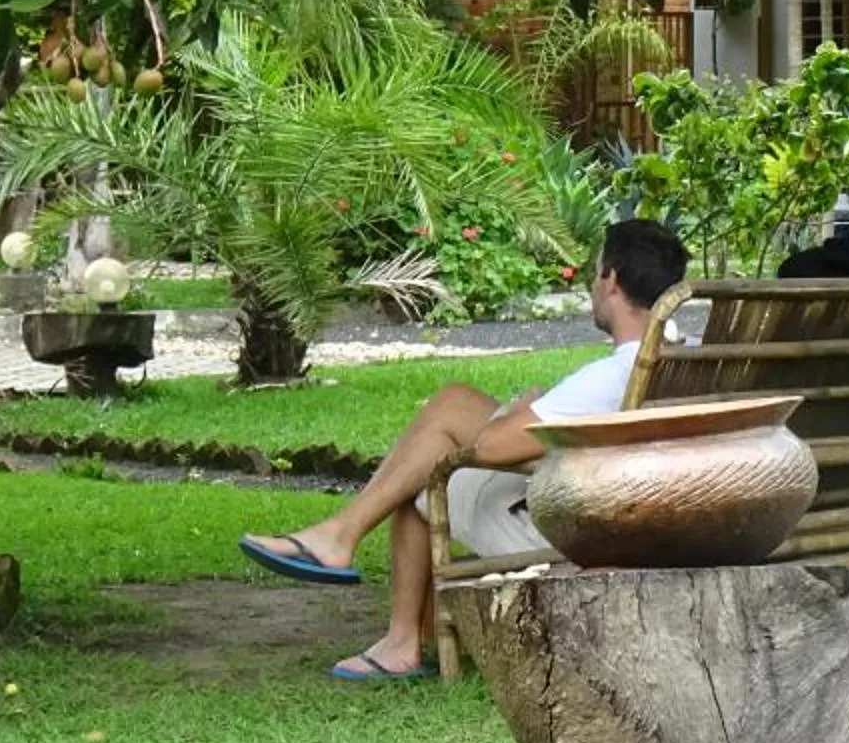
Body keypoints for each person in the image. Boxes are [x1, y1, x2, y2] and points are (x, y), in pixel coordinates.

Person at [237, 218, 691, 680]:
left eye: (596, 274)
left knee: (425, 470)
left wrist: (524, 412)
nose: (594, 286)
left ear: (611, 280)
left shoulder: (614, 375)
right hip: (651, 515)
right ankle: (344, 547)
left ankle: (387, 621)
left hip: (586, 530)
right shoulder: (691, 356)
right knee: (451, 410)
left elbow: (493, 447)